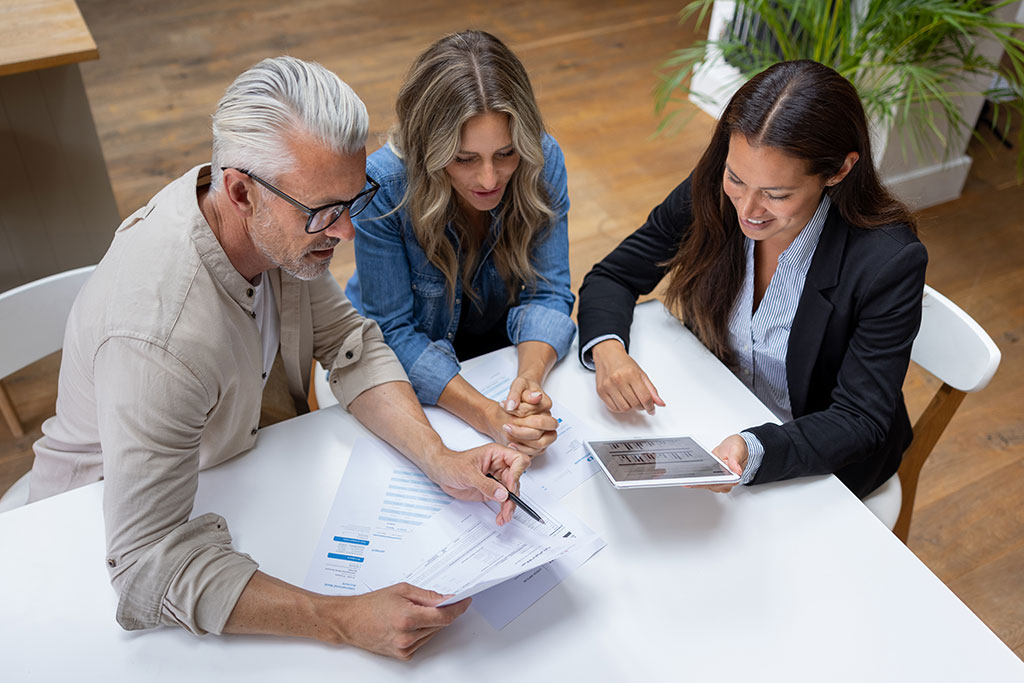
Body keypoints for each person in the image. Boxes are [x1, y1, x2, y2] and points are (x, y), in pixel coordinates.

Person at [28, 57, 529, 660]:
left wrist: (439, 458)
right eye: (323, 210)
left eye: (353, 200)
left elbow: (353, 346)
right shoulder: (160, 339)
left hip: (234, 476)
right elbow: (143, 564)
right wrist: (340, 619)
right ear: (240, 192)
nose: (345, 233)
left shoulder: (276, 224)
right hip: (83, 539)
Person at [577, 60, 928, 499]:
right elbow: (614, 274)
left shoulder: (888, 261)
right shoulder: (714, 189)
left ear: (838, 170)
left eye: (777, 195)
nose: (747, 210)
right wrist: (609, 350)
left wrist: (754, 447)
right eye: (737, 179)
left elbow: (860, 418)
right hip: (719, 409)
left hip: (820, 460)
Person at [345, 30, 576, 457]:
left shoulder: (543, 162)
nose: (489, 180)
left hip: (495, 353)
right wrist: (488, 414)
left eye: (505, 154)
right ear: (426, 148)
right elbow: (392, 331)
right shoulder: (384, 186)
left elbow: (549, 291)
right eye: (464, 159)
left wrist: (528, 383)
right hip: (413, 356)